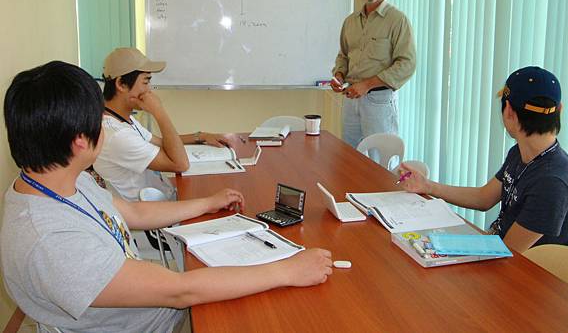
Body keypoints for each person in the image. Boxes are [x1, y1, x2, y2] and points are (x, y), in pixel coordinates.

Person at [0, 61, 332, 332]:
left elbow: (133, 213)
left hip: (153, 305)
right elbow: (180, 290)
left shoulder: (54, 176)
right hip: (157, 323)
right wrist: (287, 271)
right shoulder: (52, 241)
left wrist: (207, 203)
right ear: (80, 141)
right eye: (97, 122)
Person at [399, 66, 568, 253]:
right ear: (559, 110)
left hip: (517, 272)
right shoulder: (521, 153)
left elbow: (508, 251)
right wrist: (428, 186)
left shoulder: (553, 183)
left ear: (508, 112)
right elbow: (484, 198)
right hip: (496, 250)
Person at [94, 47, 229, 201]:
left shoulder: (120, 119)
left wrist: (201, 136)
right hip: (153, 217)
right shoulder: (117, 135)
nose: (149, 90)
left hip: (162, 196)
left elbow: (162, 143)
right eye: (145, 82)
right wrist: (159, 112)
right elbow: (180, 164)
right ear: (121, 84)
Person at [331, 0, 416, 148]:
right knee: (349, 157)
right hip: (351, 100)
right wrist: (339, 75)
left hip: (379, 101)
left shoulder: (397, 20)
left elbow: (407, 63)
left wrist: (367, 85)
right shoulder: (350, 22)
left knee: (380, 161)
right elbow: (344, 56)